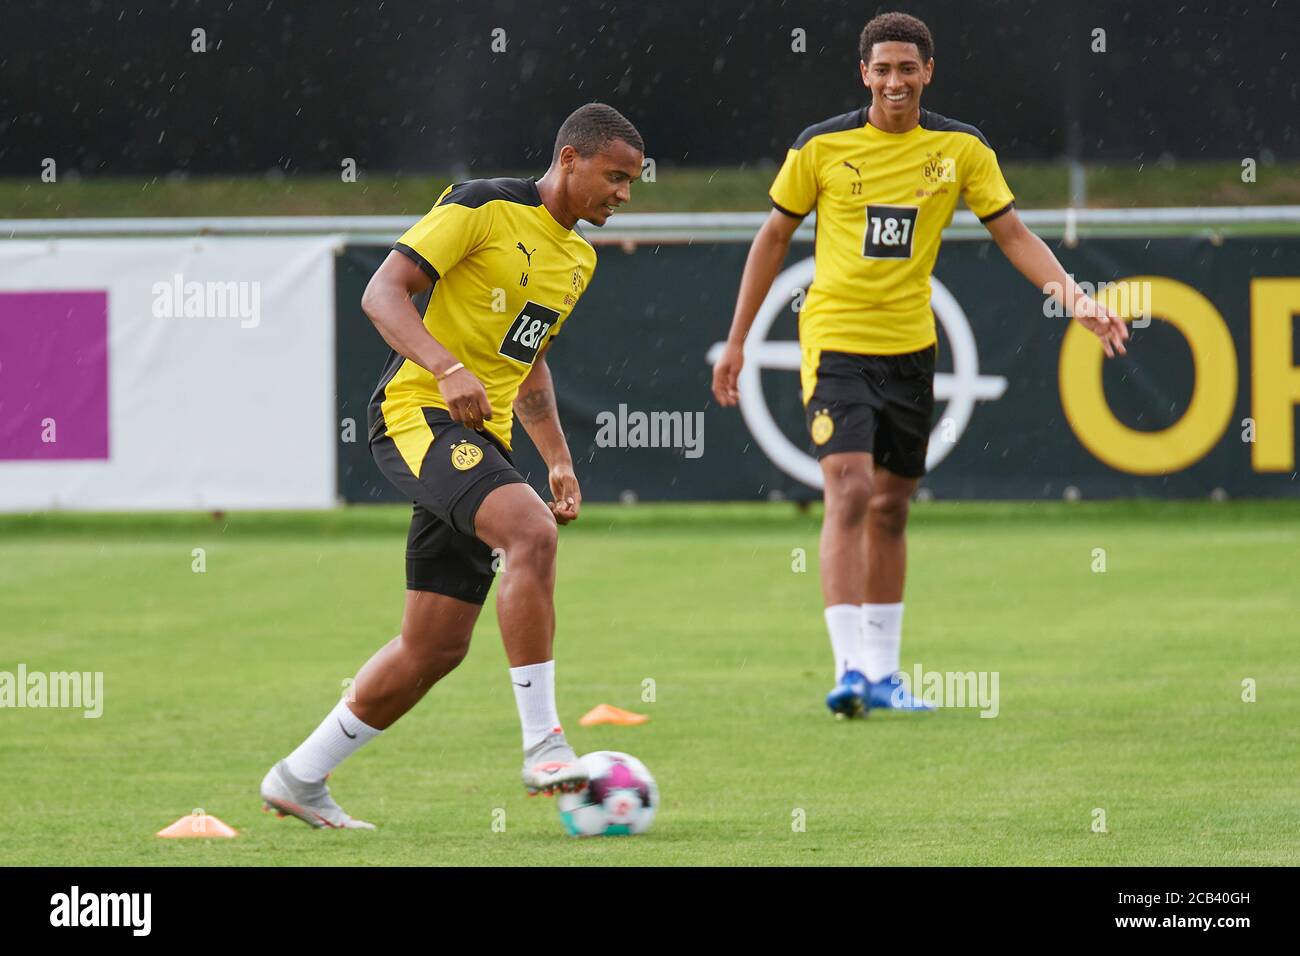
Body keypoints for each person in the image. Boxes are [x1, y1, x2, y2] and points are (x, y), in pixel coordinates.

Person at [711, 12, 1129, 718]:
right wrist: (739, 337)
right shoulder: (820, 148)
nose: (895, 81)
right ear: (863, 73)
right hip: (836, 340)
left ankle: (884, 673)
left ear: (928, 71)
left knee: (893, 507)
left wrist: (1078, 301)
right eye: (883, 69)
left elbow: (1014, 234)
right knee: (847, 490)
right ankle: (847, 672)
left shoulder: (962, 149)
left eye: (908, 68)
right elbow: (772, 237)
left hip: (912, 349)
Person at [261, 103, 645, 827]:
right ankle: (544, 745)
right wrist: (442, 366)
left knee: (434, 645)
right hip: (416, 413)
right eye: (616, 177)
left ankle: (299, 777)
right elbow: (383, 291)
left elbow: (526, 366)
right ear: (570, 159)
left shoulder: (579, 260)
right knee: (531, 535)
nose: (624, 194)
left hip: (481, 437)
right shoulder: (483, 205)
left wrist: (558, 460)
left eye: (632, 182)